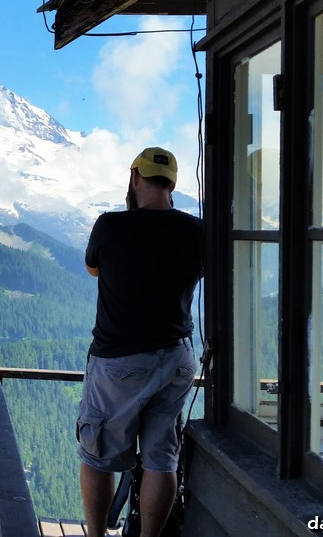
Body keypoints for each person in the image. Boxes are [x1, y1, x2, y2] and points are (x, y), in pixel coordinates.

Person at [78, 147, 202, 537]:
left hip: (119, 363)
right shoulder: (197, 231)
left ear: (134, 178)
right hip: (177, 360)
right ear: (174, 185)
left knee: (97, 456)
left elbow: (93, 269)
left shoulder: (110, 226)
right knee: (161, 459)